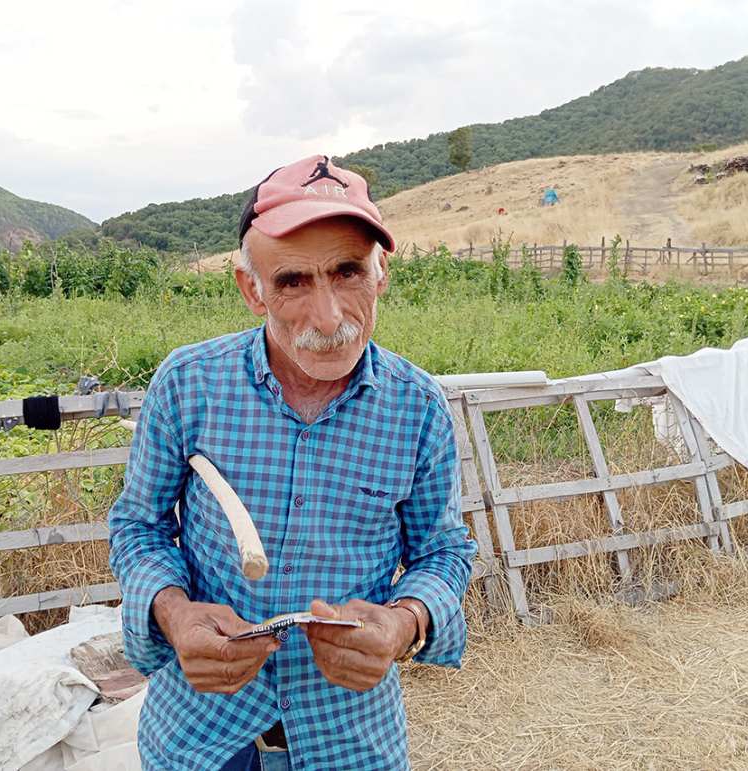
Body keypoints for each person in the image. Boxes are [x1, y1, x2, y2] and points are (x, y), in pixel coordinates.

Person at [108, 155, 476, 771]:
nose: (329, 319)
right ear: (252, 289)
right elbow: (138, 526)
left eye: (348, 272)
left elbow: (443, 551)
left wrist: (405, 622)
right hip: (201, 732)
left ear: (381, 273)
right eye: (293, 282)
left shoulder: (418, 407)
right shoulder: (188, 384)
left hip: (349, 738)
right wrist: (173, 615)